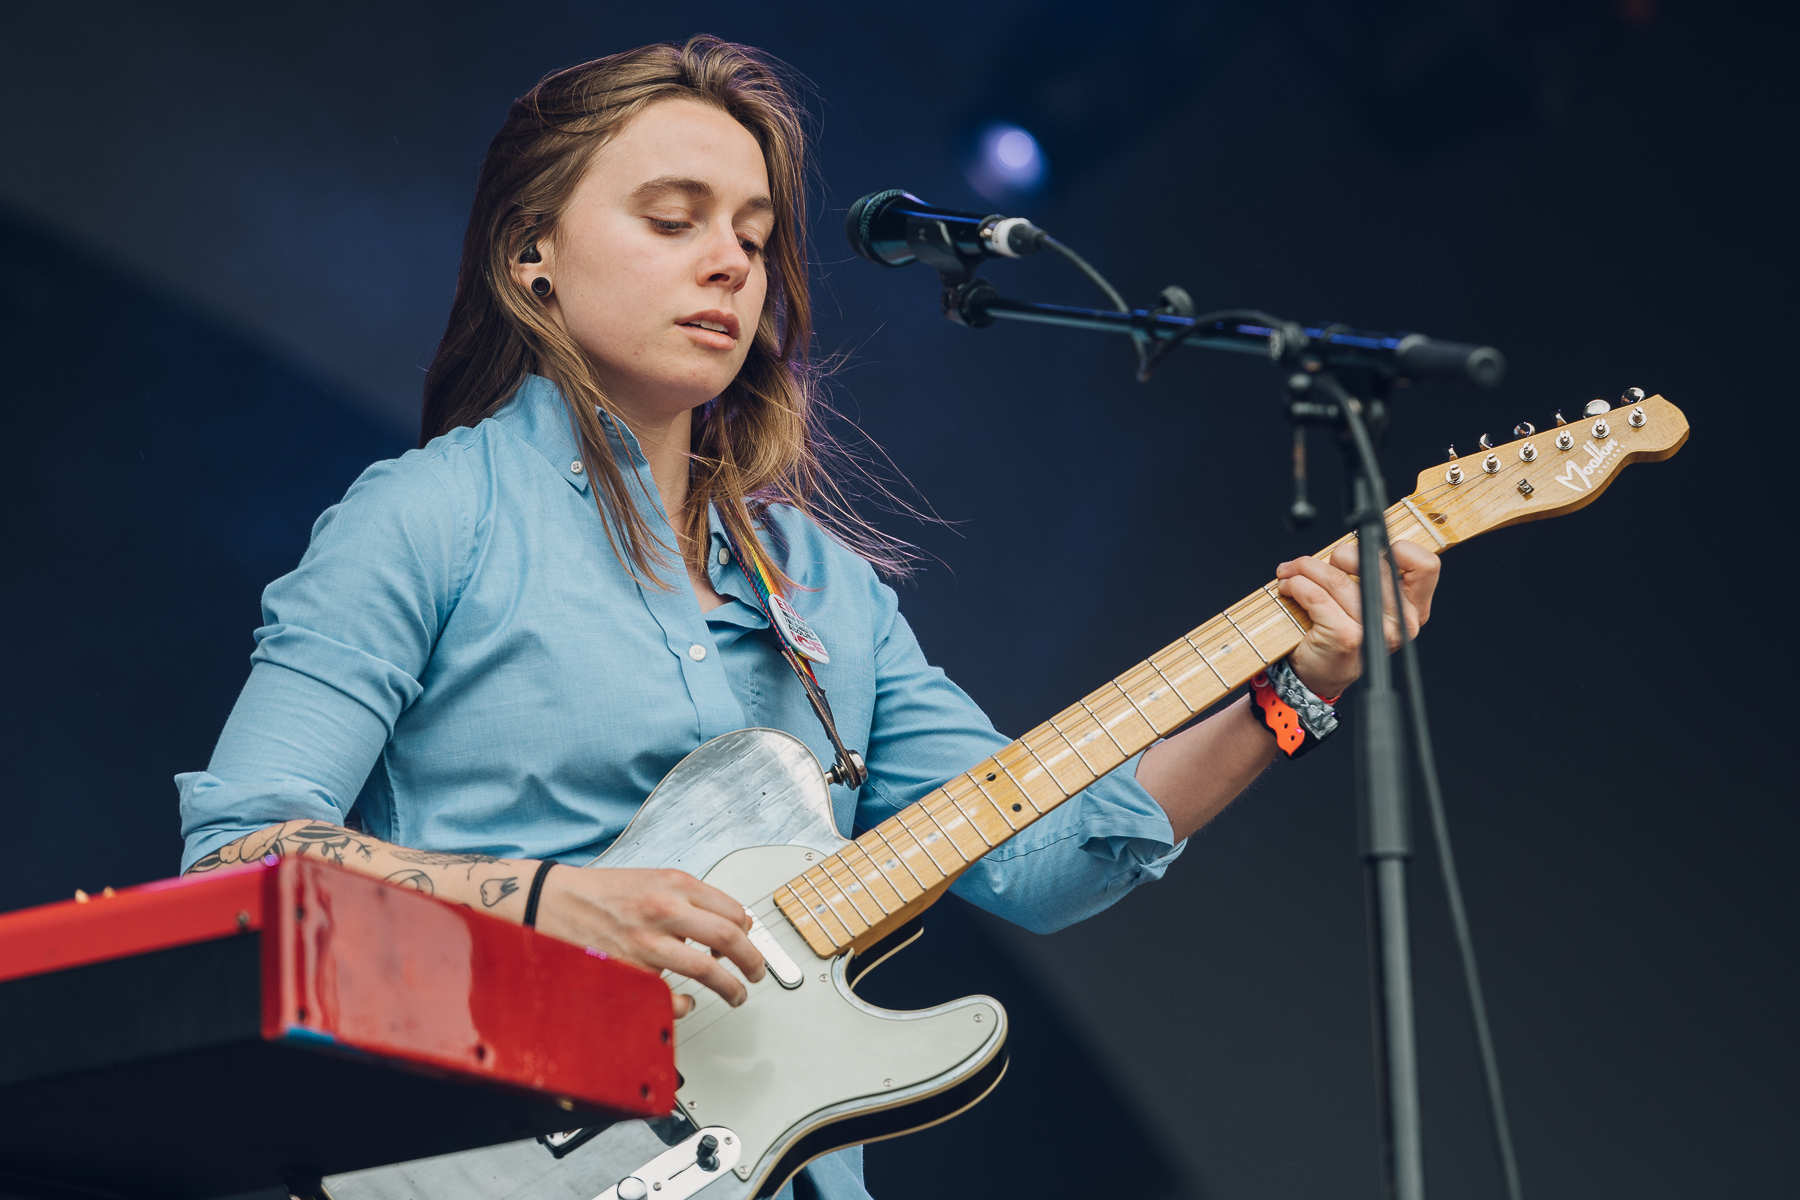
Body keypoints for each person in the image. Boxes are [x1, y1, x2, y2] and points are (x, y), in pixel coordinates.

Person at [177, 34, 1440, 1200]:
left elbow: (1044, 864)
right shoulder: (428, 516)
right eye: (672, 220)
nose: (729, 259)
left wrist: (1295, 686)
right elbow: (238, 859)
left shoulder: (825, 589)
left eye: (751, 230)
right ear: (531, 255)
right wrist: (545, 900)